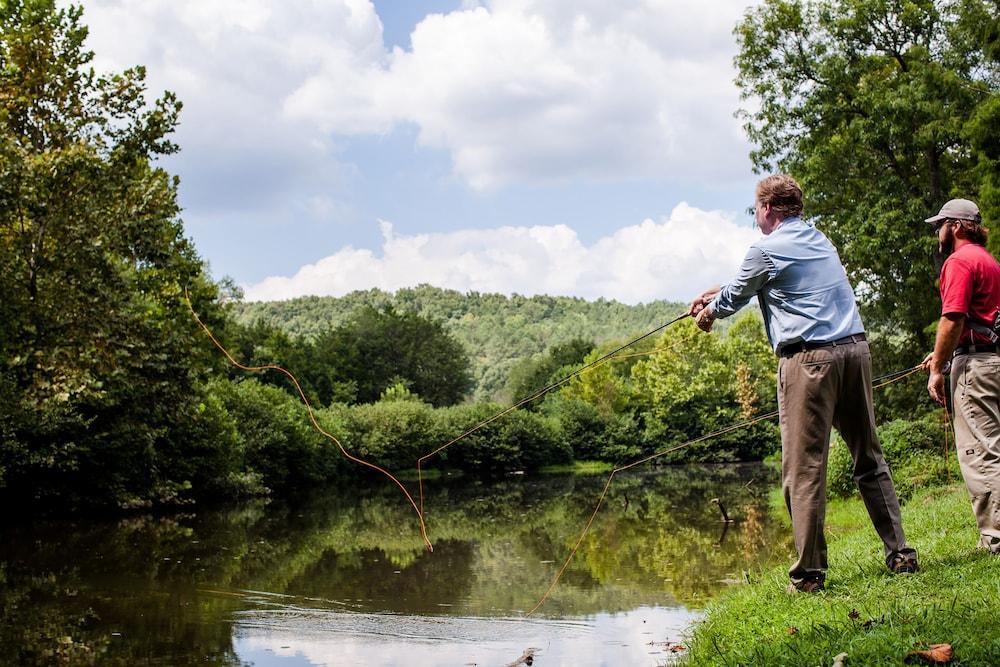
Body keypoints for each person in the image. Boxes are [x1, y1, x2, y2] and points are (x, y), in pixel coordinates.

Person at [689, 174, 918, 592]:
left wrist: (709, 311)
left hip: (810, 361)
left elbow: (737, 295)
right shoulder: (819, 239)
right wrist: (720, 292)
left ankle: (810, 575)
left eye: (756, 209)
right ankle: (900, 553)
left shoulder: (763, 248)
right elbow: (765, 282)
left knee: (804, 468)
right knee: (869, 457)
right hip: (855, 351)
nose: (756, 215)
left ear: (768, 210)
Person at [922, 198, 1000, 554]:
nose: (937, 232)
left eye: (940, 225)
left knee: (980, 451)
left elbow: (952, 318)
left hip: (976, 369)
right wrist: (940, 353)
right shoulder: (988, 260)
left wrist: (937, 369)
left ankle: (994, 537)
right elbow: (974, 318)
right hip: (992, 358)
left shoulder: (958, 261)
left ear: (955, 226)